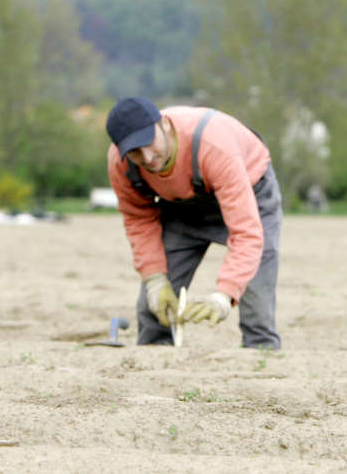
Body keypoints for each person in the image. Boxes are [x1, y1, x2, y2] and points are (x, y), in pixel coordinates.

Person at [105, 96, 282, 349]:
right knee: (151, 308)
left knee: (257, 307)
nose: (147, 157)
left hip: (251, 194)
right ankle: (154, 356)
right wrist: (155, 280)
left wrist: (224, 295)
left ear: (164, 124)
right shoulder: (120, 165)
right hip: (181, 209)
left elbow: (246, 232)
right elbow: (138, 219)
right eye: (134, 152)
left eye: (148, 143)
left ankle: (262, 357)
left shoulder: (214, 145)